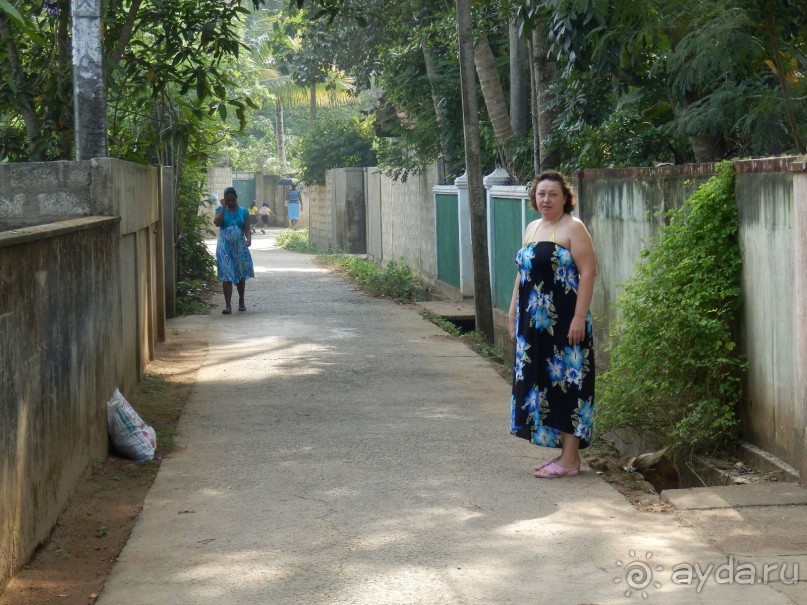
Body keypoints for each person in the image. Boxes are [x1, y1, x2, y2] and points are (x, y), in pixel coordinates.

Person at [508, 170, 597, 479]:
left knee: (569, 386)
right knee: (542, 385)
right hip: (533, 325)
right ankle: (563, 454)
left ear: (565, 198)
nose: (546, 199)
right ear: (535, 196)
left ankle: (571, 460)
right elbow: (523, 273)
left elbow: (588, 272)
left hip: (564, 323)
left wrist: (577, 317)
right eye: (541, 193)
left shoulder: (574, 227)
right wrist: (512, 313)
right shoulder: (533, 227)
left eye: (553, 194)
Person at [214, 187, 254, 314]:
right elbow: (217, 223)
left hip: (239, 247)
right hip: (224, 247)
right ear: (225, 200)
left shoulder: (243, 211)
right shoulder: (220, 210)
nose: (231, 202)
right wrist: (224, 208)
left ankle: (241, 301)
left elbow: (247, 228)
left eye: (233, 200)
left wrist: (249, 239)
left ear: (236, 198)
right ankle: (228, 305)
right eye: (228, 200)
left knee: (240, 273)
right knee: (226, 274)